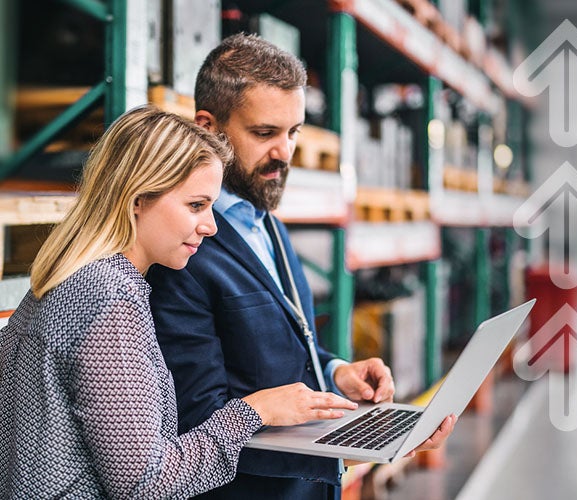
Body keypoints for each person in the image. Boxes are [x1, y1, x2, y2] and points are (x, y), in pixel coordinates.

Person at [146, 34, 457, 499]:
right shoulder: (183, 250)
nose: (286, 153)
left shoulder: (264, 220)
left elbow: (280, 347)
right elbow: (197, 425)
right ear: (208, 127)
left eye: (294, 132)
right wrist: (352, 448)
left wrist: (334, 372)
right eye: (265, 133)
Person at [0, 105, 358, 498]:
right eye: (196, 205)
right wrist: (254, 412)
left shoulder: (67, 278)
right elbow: (147, 484)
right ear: (137, 198)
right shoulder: (108, 296)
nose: (211, 225)